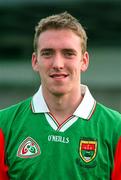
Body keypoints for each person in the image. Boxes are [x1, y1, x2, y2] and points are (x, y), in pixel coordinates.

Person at [0, 11, 121, 180]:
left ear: (84, 61)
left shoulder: (116, 128)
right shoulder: (4, 125)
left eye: (68, 53)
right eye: (47, 53)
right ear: (35, 61)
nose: (57, 64)